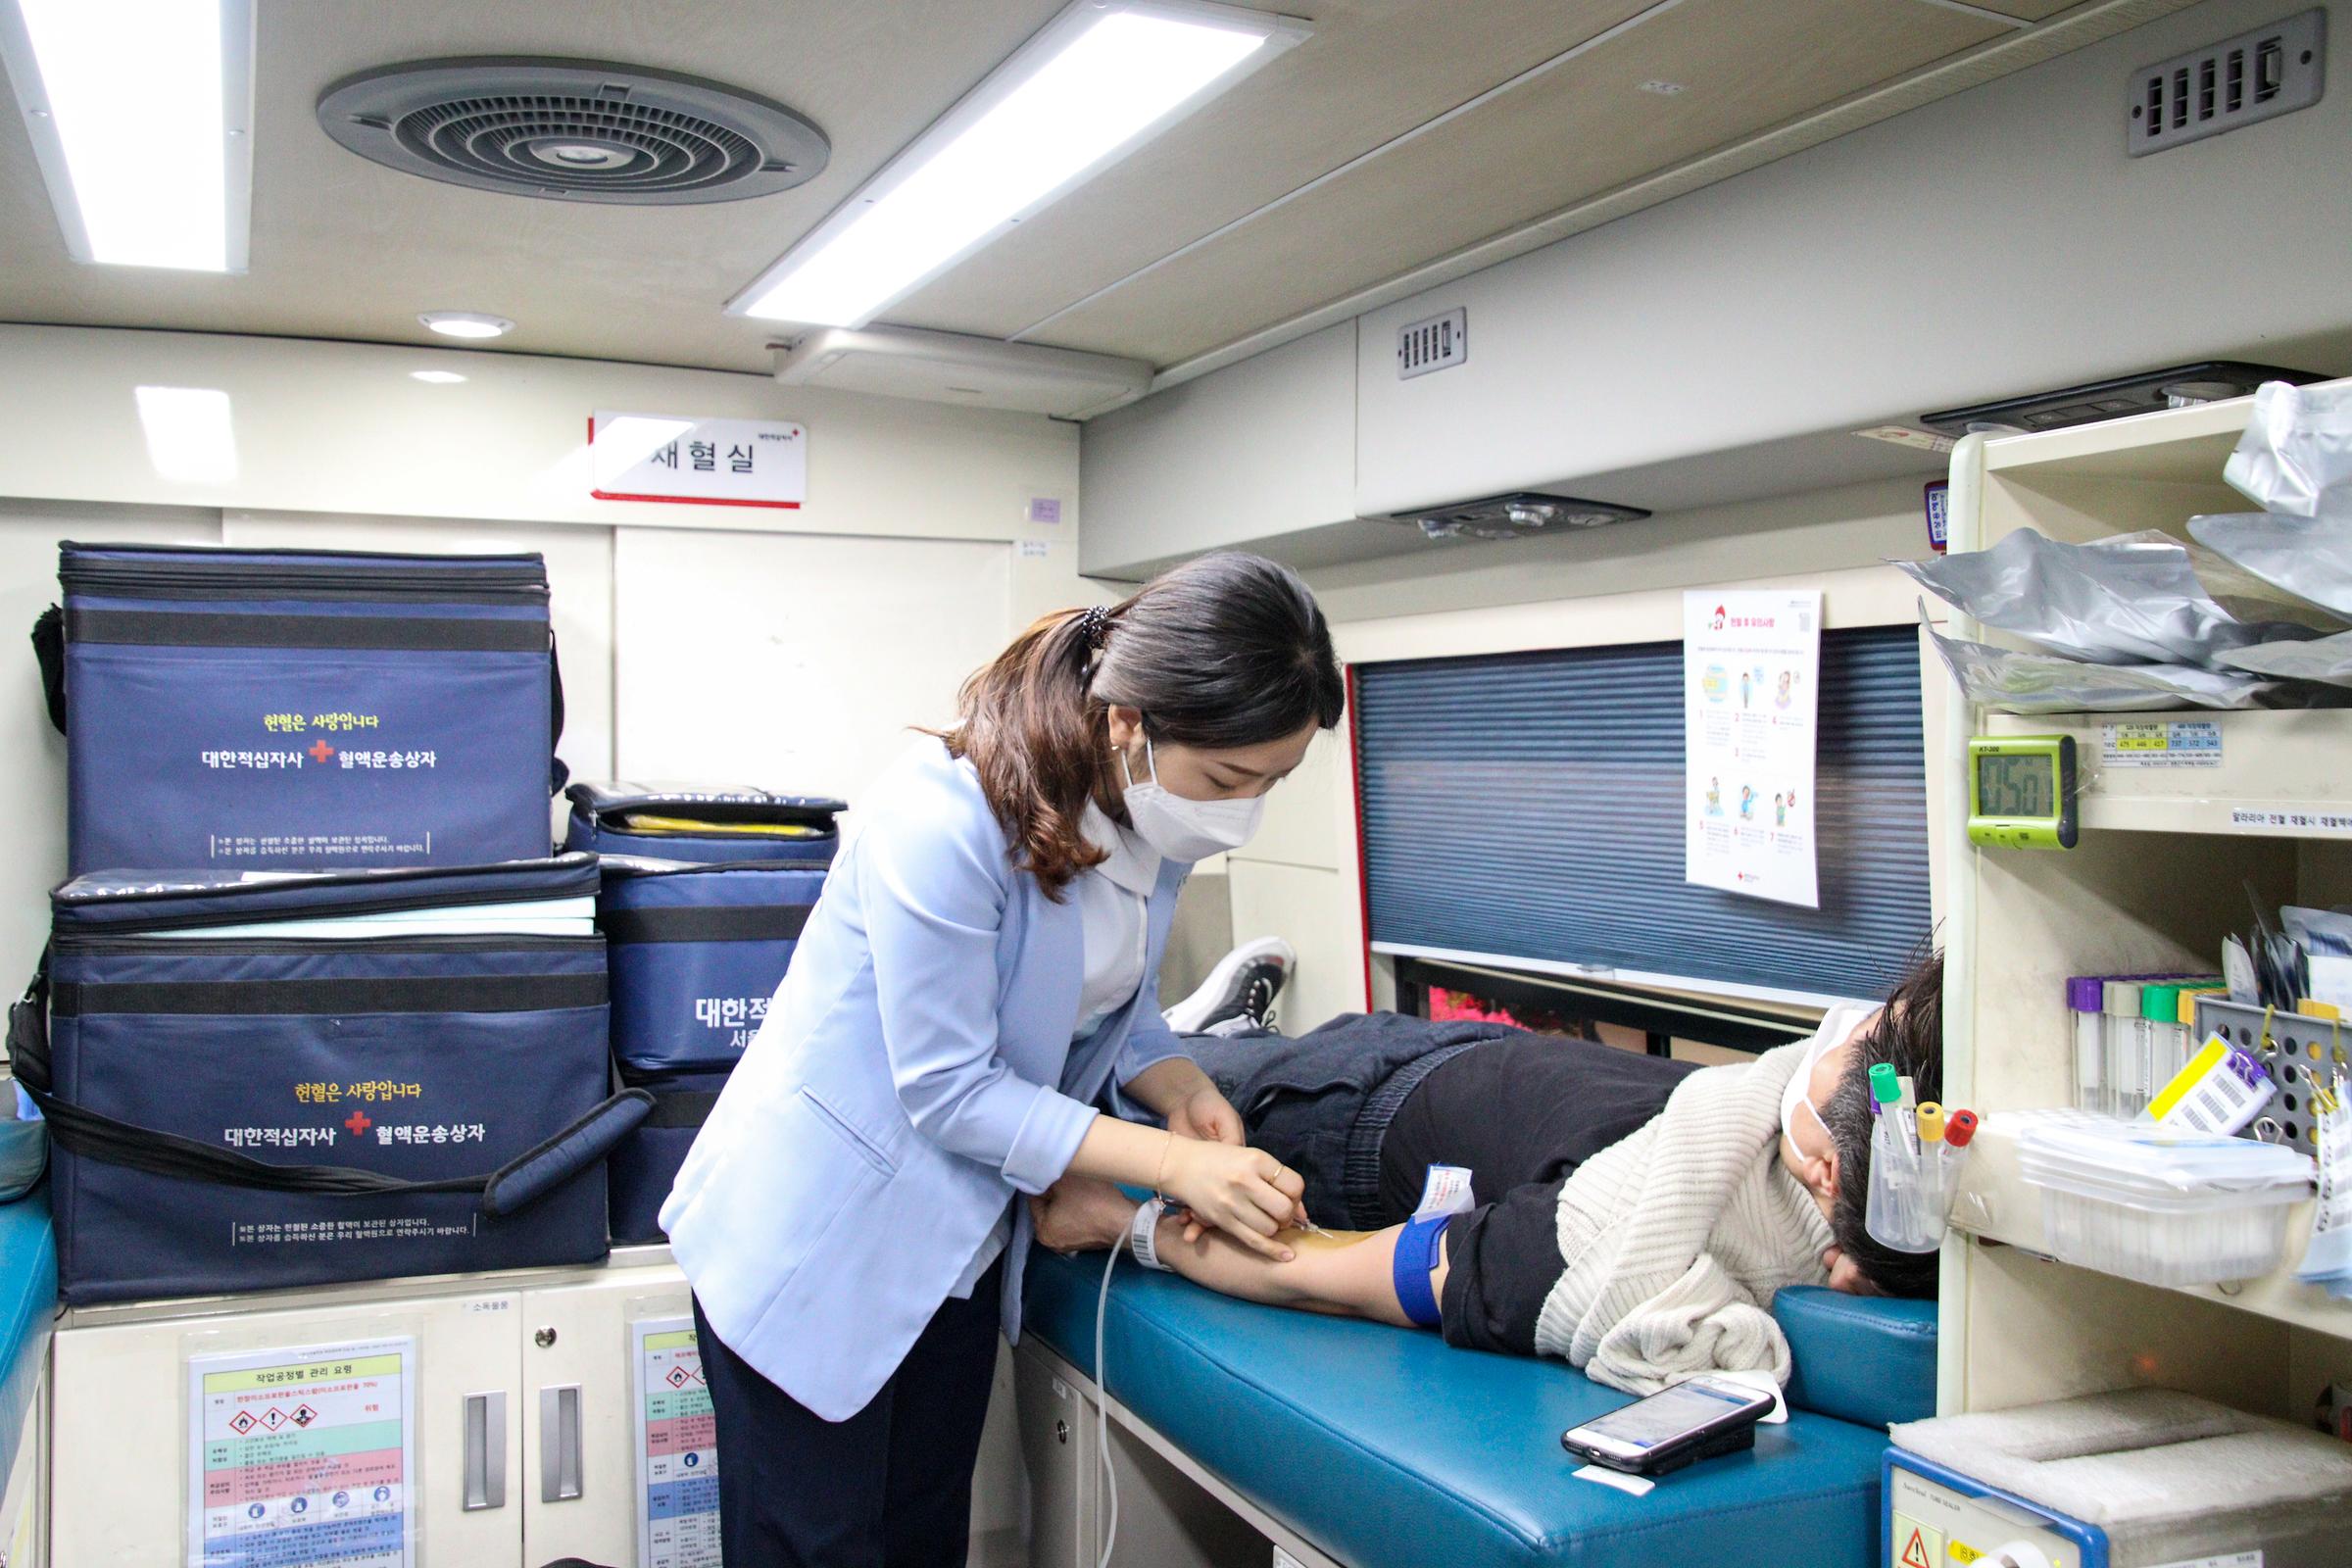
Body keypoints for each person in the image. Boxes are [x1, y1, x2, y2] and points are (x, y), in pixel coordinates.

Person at [662, 552, 1347, 1565]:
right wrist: (1172, 1163)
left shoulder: (1152, 819)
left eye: (1273, 782)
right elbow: (950, 1086)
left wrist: (1181, 1082)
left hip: (956, 1250)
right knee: (816, 1546)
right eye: (1230, 779)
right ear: (1130, 724)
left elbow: (1106, 999)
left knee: (920, 1538)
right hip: (819, 1245)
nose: (1241, 812)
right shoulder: (942, 817)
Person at [1030, 951, 1943, 1396]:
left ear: (1830, 1177)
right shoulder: (1829, 1103)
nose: (1845, 1029)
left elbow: (1320, 1273)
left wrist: (1122, 1226)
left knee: (1092, 1074)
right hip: (1458, 1058)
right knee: (1153, 1059)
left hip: (1349, 1114)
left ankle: (1217, 1037)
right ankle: (1212, 1034)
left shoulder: (1607, 1238)